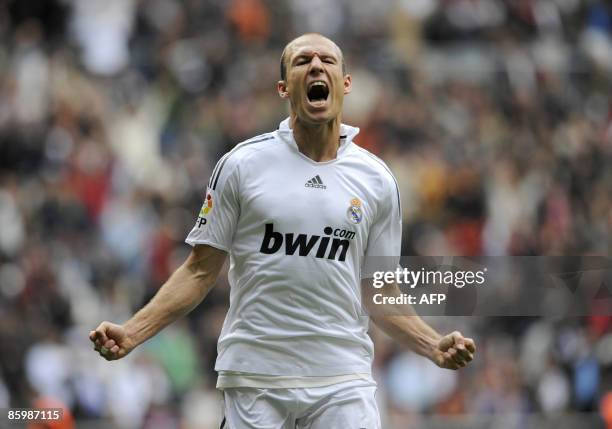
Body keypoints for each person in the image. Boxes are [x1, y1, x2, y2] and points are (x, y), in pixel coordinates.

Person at [90, 33, 476, 428]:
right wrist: (134, 332)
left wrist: (433, 345)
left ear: (345, 83)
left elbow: (380, 294)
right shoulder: (242, 165)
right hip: (257, 377)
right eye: (301, 61)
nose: (315, 66)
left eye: (327, 59)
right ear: (283, 88)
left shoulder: (377, 181)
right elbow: (199, 270)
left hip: (342, 380)